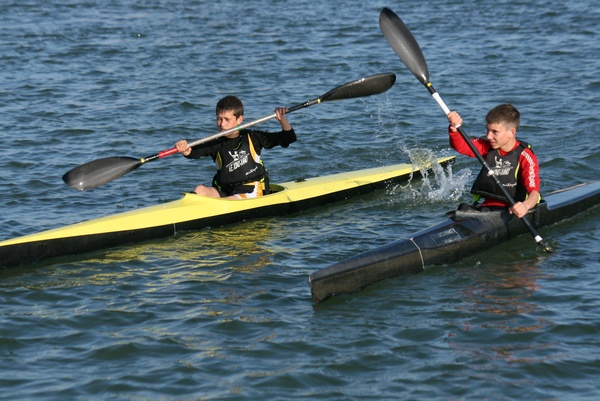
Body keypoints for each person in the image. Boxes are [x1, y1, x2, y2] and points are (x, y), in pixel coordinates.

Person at [175, 95, 296, 199]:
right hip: (224, 190)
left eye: (227, 119)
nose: (222, 124)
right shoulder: (215, 142)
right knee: (200, 189)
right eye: (219, 119)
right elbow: (193, 153)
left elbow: (289, 138)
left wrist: (282, 119)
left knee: (230, 199)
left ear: (239, 119)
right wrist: (185, 150)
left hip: (250, 191)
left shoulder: (253, 137)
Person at [447, 104, 540, 218]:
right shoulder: (487, 147)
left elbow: (534, 193)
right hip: (486, 208)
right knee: (462, 208)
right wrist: (454, 129)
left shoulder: (525, 156)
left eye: (494, 132)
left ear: (511, 132)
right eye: (487, 130)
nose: (488, 136)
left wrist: (525, 206)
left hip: (512, 209)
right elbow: (461, 145)